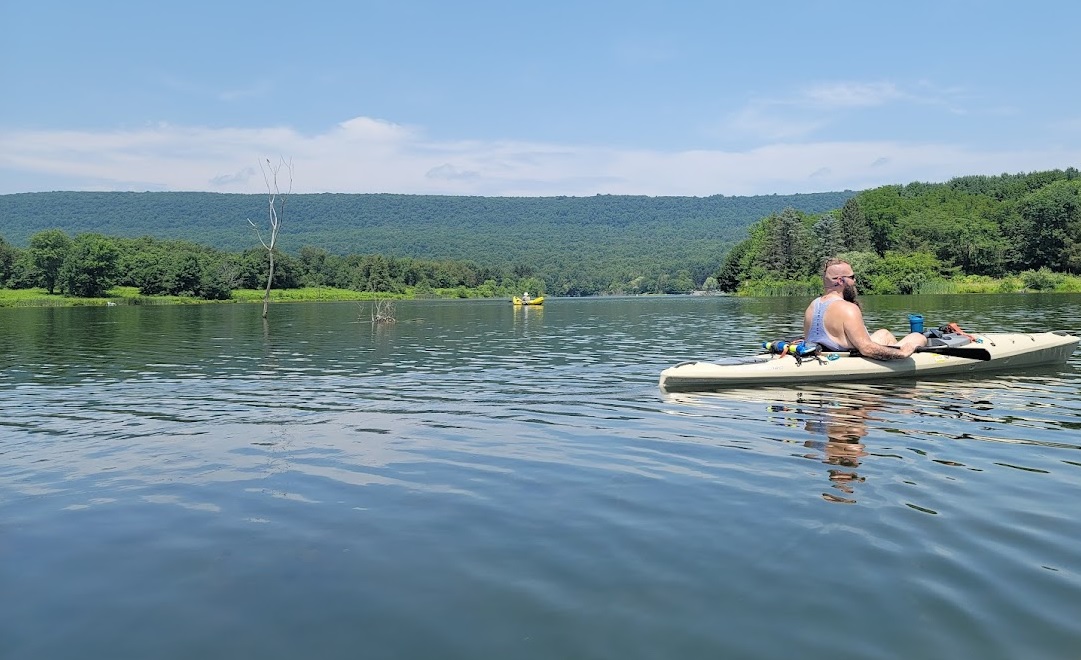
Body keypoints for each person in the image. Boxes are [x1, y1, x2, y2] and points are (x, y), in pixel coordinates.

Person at [803, 258, 927, 359]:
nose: (855, 281)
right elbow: (866, 348)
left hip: (825, 353)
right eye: (852, 277)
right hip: (848, 359)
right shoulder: (848, 308)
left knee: (884, 334)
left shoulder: (812, 306)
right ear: (841, 281)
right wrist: (901, 353)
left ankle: (894, 367)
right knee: (918, 337)